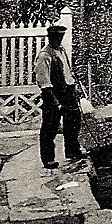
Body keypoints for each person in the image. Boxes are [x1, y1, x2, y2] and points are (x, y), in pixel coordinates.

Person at [35, 24, 85, 169]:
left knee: (73, 121)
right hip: (52, 93)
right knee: (50, 127)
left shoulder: (61, 51)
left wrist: (73, 87)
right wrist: (54, 100)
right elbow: (43, 81)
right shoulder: (44, 55)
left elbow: (67, 72)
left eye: (60, 37)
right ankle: (48, 159)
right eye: (56, 37)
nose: (58, 40)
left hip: (67, 92)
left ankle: (72, 150)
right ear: (50, 37)